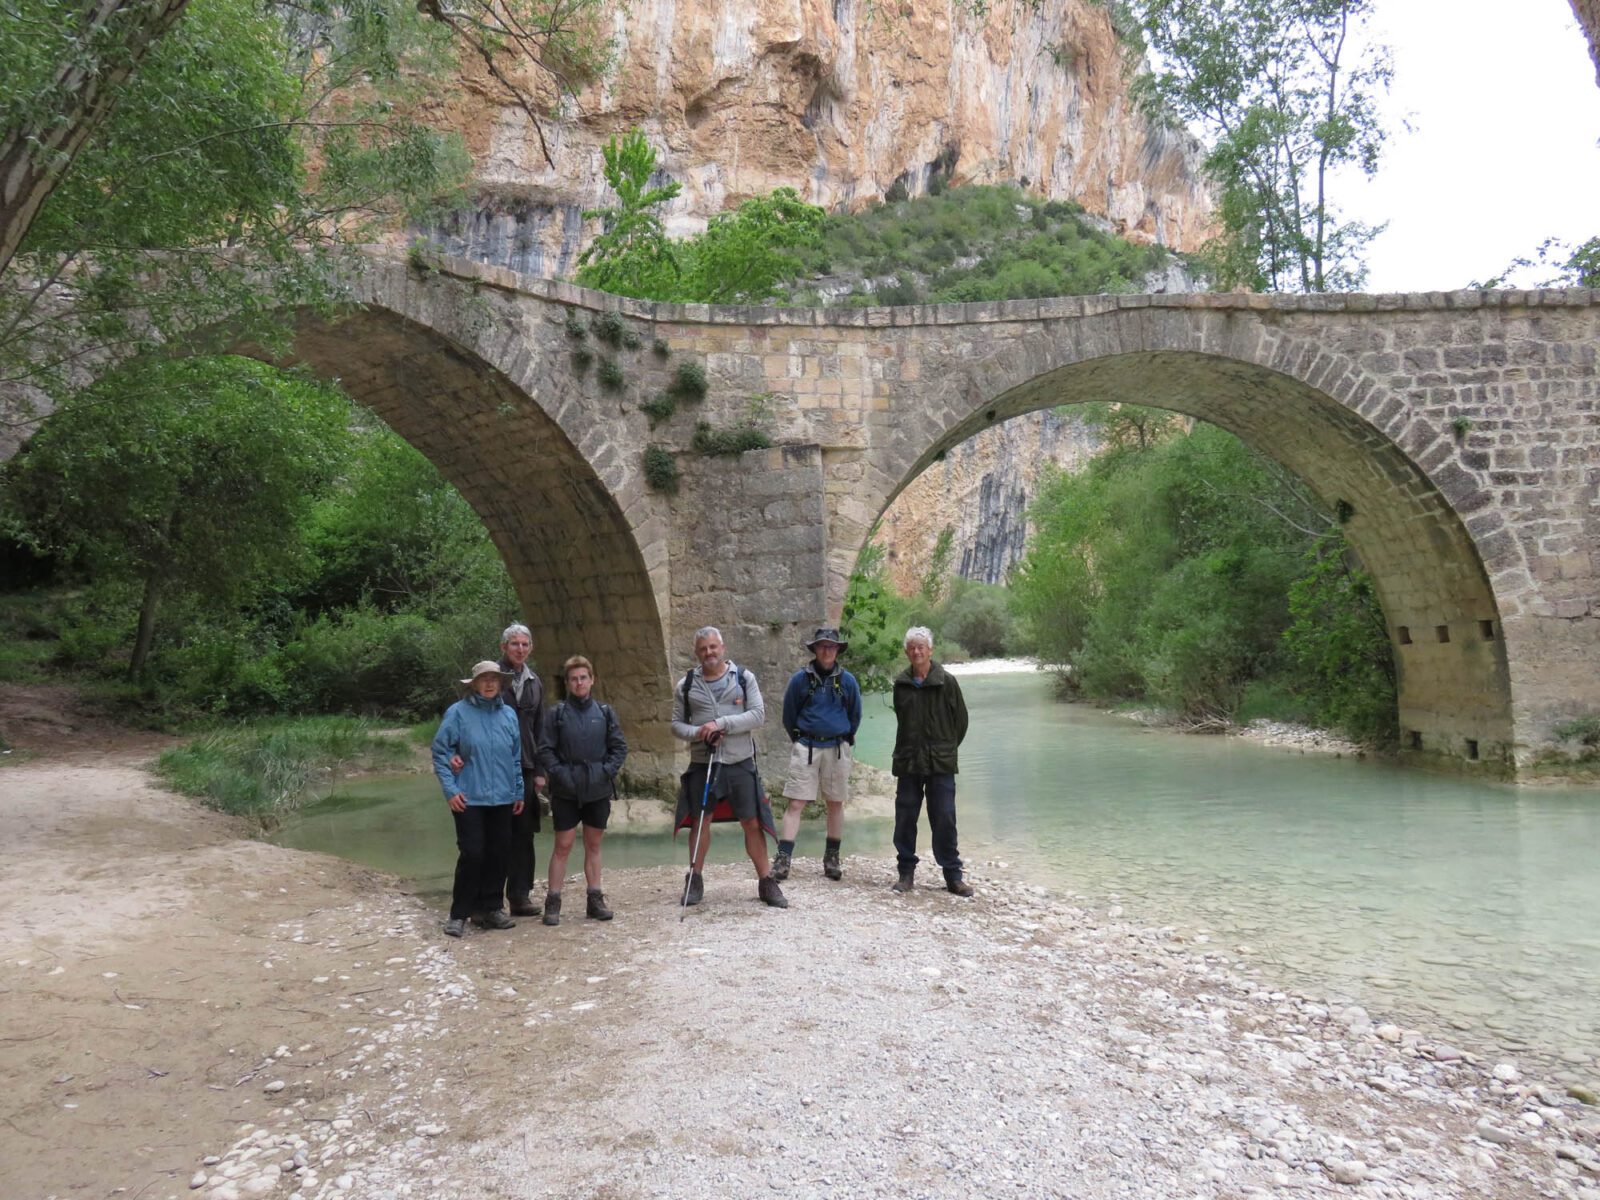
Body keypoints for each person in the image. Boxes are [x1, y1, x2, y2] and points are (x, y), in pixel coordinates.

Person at [670, 626, 787, 909]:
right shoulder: (685, 685)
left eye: (713, 647)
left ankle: (766, 881)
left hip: (739, 762)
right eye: (703, 649)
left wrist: (721, 725)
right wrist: (700, 733)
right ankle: (695, 879)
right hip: (703, 762)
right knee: (701, 821)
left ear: (722, 648)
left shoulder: (745, 679)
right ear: (697, 653)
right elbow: (675, 725)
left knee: (751, 821)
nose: (708, 653)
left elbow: (758, 715)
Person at [432, 660, 526, 937]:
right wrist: (450, 790)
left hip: (503, 796)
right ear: (473, 684)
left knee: (499, 854)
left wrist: (518, 790)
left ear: (501, 684)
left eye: (494, 679)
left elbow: (515, 757)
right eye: (483, 679)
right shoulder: (458, 713)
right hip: (468, 797)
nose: (489, 683)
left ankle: (491, 908)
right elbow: (440, 752)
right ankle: (460, 913)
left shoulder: (509, 715)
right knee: (473, 854)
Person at [536, 655, 627, 926]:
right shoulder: (557, 714)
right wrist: (561, 774)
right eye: (574, 679)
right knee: (562, 845)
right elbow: (545, 749)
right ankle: (553, 902)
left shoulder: (605, 712)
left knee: (593, 844)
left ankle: (595, 899)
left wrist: (605, 771)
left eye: (583, 677)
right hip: (566, 789)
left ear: (592, 680)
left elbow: (619, 748)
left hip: (597, 788)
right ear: (567, 683)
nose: (579, 683)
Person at [773, 627, 862, 883]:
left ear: (837, 650)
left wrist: (842, 736)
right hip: (807, 746)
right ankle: (783, 859)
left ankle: (832, 858)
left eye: (831, 646)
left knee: (835, 803)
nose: (827, 650)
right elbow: (789, 715)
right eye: (822, 646)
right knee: (796, 803)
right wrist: (801, 740)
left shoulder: (847, 681)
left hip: (836, 748)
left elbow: (854, 716)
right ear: (815, 649)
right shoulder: (800, 680)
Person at [890, 626, 973, 897]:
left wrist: (945, 748)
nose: (917, 651)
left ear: (930, 650)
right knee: (905, 817)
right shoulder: (901, 685)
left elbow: (961, 722)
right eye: (912, 647)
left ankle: (953, 875)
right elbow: (902, 721)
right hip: (909, 762)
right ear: (907, 652)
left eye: (921, 646)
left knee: (945, 817)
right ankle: (906, 873)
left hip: (940, 763)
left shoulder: (947, 682)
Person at [497, 624, 547, 917]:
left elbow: (540, 728)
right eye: (514, 644)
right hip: (496, 767)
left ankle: (519, 896)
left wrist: (540, 770)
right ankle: (490, 899)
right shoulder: (492, 679)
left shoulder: (534, 682)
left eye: (524, 644)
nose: (520, 649)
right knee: (498, 833)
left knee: (524, 834)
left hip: (527, 766)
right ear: (503, 647)